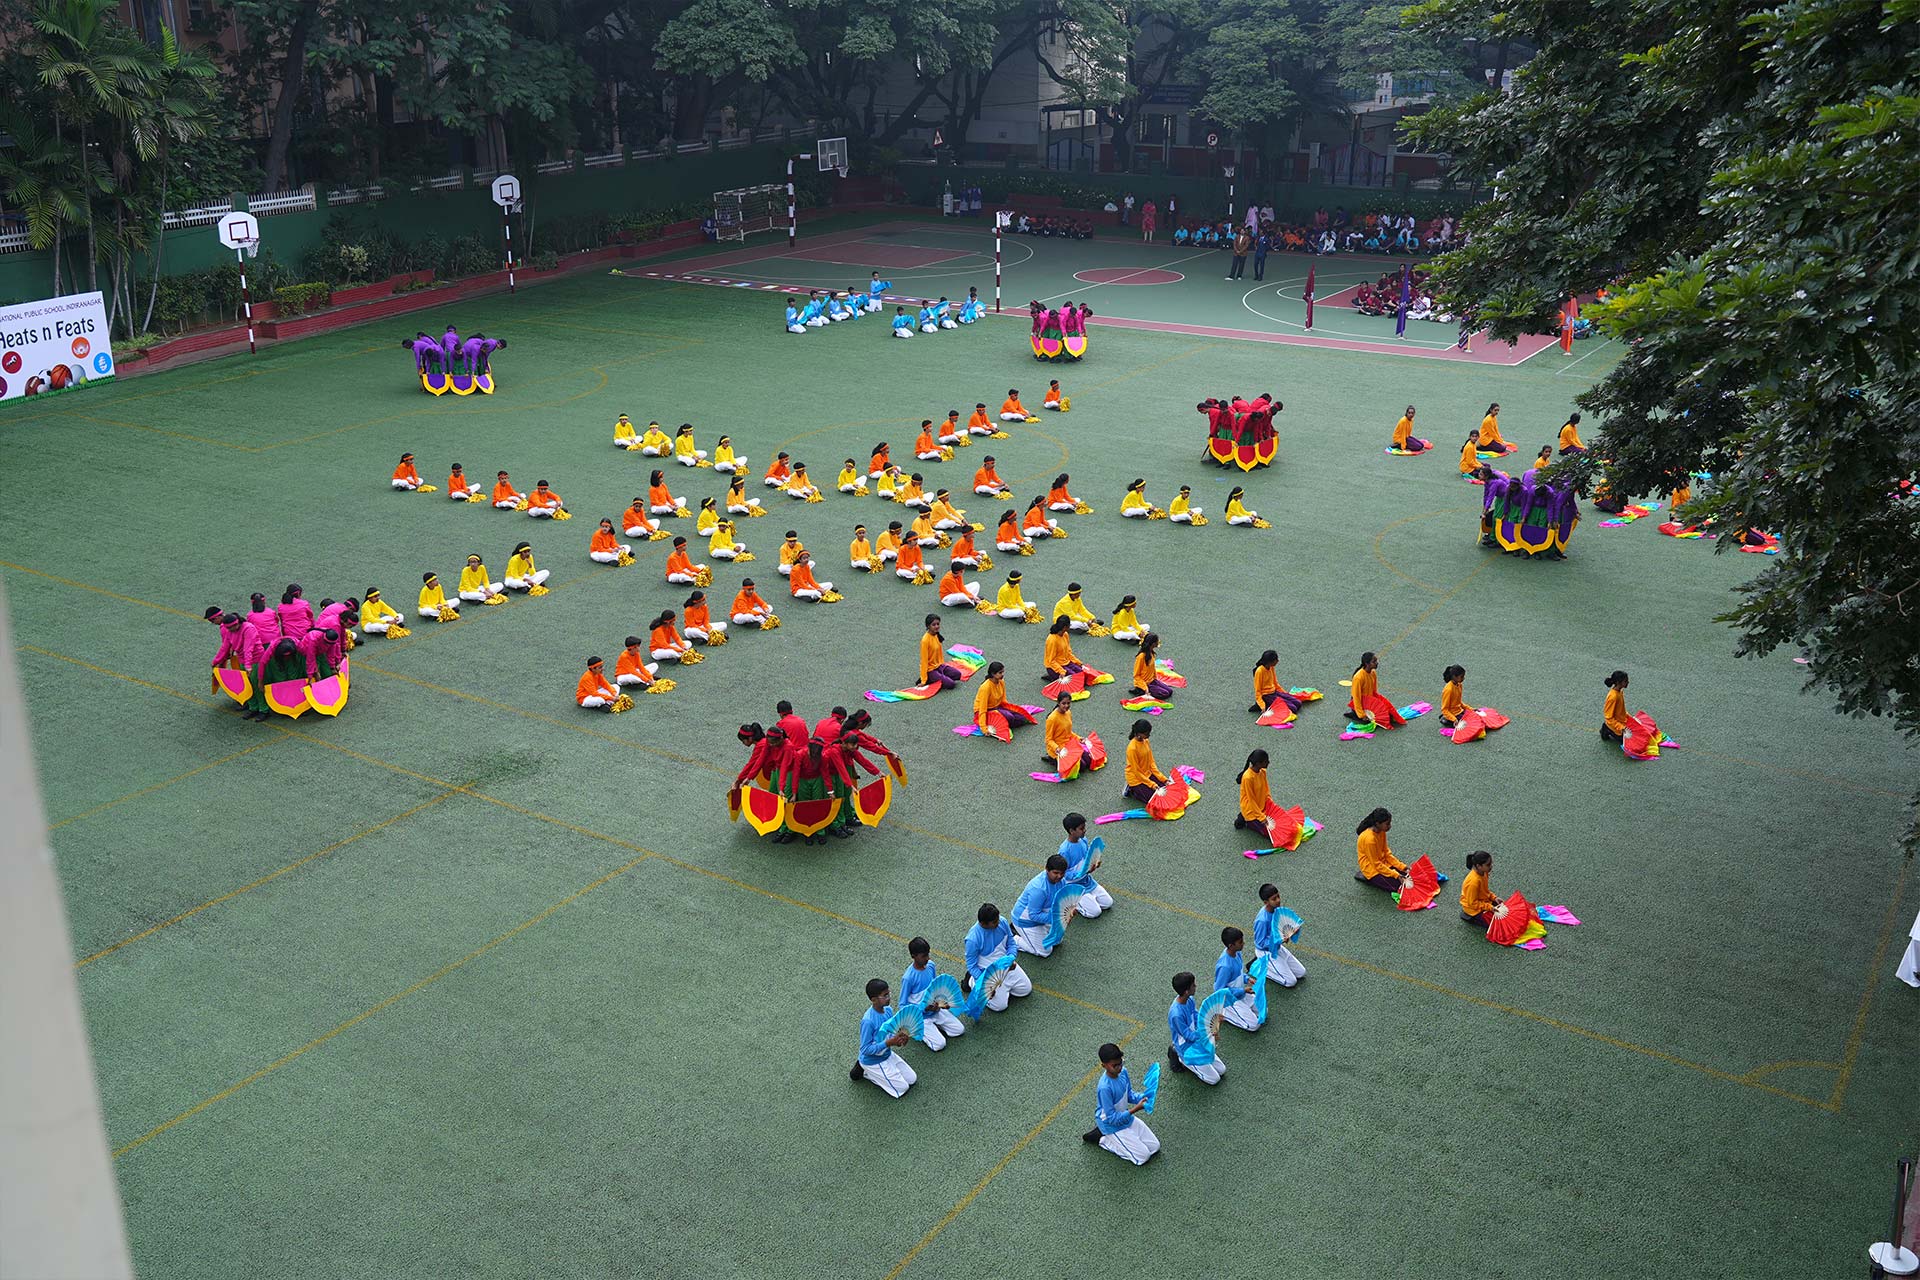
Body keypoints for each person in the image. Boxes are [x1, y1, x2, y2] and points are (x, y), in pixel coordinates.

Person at [1083, 1043, 1161, 1163]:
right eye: (1115, 1065)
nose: (1119, 1067)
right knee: (1142, 1157)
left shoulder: (1123, 1072)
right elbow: (1112, 1118)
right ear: (1104, 1065)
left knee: (1155, 1147)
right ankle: (1102, 1139)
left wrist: (1143, 1097)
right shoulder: (1104, 1088)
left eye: (1121, 1063)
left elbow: (1129, 1095)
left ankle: (1123, 1140)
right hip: (1111, 1125)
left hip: (1124, 1117)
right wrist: (1135, 1109)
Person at [963, 903, 1033, 1013]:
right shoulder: (973, 939)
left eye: (998, 919)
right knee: (1000, 1006)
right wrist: (984, 985)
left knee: (1025, 989)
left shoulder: (1002, 922)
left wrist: (1011, 958)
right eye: (995, 922)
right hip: (987, 972)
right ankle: (972, 982)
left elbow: (1011, 943)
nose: (998, 922)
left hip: (1005, 965)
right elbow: (971, 966)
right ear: (983, 923)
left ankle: (1004, 990)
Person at [852, 978, 917, 1098]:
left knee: (912, 1079)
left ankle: (879, 1074)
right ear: (874, 1000)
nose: (889, 998)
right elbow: (865, 1049)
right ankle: (866, 1071)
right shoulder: (868, 1021)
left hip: (886, 1054)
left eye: (889, 993)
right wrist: (888, 1043)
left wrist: (901, 1038)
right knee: (903, 1088)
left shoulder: (888, 1010)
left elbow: (891, 1031)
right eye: (885, 995)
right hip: (873, 1061)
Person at [900, 938, 966, 1052]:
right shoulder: (908, 978)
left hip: (935, 1010)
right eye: (924, 956)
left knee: (959, 1030)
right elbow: (902, 1006)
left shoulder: (930, 966)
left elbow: (935, 987)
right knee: (939, 1045)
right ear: (913, 956)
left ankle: (935, 1027)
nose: (927, 958)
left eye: (928, 954)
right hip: (920, 1017)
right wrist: (924, 1008)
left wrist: (941, 1003)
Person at [1166, 972, 1224, 1084]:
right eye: (1193, 985)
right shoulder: (1176, 1014)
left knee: (1222, 1070)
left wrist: (1210, 1023)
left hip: (1197, 1041)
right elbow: (1188, 1035)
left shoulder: (1190, 1000)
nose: (1195, 986)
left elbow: (1197, 1017)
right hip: (1187, 1048)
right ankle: (1180, 1057)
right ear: (1186, 991)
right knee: (1214, 1079)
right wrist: (1207, 1032)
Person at [1011, 854, 1072, 956]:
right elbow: (1033, 915)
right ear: (1047, 869)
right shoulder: (1039, 889)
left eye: (1062, 873)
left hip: (1042, 915)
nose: (1059, 876)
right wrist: (1058, 918)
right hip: (1026, 921)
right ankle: (1012, 939)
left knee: (1057, 940)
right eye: (1056, 873)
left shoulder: (1061, 881)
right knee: (1045, 951)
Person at [1253, 883, 1306, 987]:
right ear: (1266, 902)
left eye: (1278, 896)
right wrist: (1280, 940)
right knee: (1291, 982)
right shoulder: (1262, 920)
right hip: (1265, 952)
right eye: (1274, 899)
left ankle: (1273, 966)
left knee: (1301, 972)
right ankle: (1259, 967)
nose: (1278, 900)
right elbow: (1260, 943)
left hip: (1277, 948)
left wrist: (1293, 931)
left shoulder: (1277, 910)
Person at [1214, 927, 1262, 1031]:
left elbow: (1238, 973)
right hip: (1230, 1001)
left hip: (1241, 994)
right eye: (1240, 942)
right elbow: (1219, 990)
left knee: (1263, 1011)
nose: (1243, 943)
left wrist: (1247, 979)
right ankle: (1223, 1013)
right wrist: (1243, 990)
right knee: (1254, 1025)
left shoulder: (1237, 953)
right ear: (1231, 946)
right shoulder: (1225, 966)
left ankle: (1242, 1010)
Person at [1354, 807, 1407, 890]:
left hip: (1382, 863)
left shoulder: (1381, 831)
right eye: (1387, 824)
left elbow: (1386, 852)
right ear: (1378, 824)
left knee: (1408, 876)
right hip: (1372, 870)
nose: (1390, 826)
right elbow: (1376, 864)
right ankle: (1368, 878)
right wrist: (1396, 875)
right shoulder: (1369, 840)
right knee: (1402, 886)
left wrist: (1403, 867)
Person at [1348, 651, 1405, 728]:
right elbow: (1356, 697)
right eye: (1374, 661)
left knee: (1390, 714)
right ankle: (1355, 714)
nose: (1377, 663)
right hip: (1360, 704)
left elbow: (1374, 691)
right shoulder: (1358, 677)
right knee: (1376, 719)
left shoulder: (1373, 673)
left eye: (1376, 661)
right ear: (1367, 664)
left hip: (1369, 702)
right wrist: (1361, 714)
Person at [1123, 719, 1169, 803]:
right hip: (1136, 778)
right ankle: (1131, 789)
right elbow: (1136, 771)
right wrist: (1152, 785)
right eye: (1146, 733)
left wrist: (1163, 779)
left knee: (1166, 791)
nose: (1149, 735)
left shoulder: (1146, 741)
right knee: (1154, 800)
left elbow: (1151, 762)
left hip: (1146, 774)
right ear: (1139, 733)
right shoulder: (1132, 749)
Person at [919, 614, 964, 688]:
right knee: (951, 684)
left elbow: (939, 654)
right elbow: (924, 661)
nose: (937, 626)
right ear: (928, 626)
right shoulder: (925, 640)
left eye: (938, 624)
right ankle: (930, 678)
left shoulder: (936, 635)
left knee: (958, 674)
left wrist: (943, 666)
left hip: (939, 666)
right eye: (934, 625)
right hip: (930, 670)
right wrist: (923, 681)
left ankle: (939, 676)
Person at [1460, 850, 1497, 928]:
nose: (1491, 866)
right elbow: (1472, 903)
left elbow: (1484, 891)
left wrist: (1494, 898)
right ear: (1479, 866)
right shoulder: (1473, 882)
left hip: (1482, 902)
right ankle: (1472, 918)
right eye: (1488, 864)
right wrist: (1489, 907)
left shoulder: (1484, 872)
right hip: (1473, 909)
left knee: (1504, 910)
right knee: (1496, 923)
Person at [1601, 670, 1630, 743]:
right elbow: (1609, 718)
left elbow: (1620, 710)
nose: (1628, 682)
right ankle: (1607, 728)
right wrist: (1622, 728)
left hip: (1621, 723)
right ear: (1618, 682)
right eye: (1625, 681)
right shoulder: (1613, 697)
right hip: (1616, 726)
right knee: (1631, 742)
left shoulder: (1620, 692)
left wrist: (1629, 717)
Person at [1439, 664, 1469, 728]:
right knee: (1468, 723)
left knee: (1475, 716)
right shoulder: (1448, 689)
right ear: (1454, 677)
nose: (1463, 678)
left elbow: (1459, 702)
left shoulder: (1459, 685)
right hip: (1454, 714)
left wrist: (1471, 709)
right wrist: (1454, 719)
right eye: (1462, 676)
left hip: (1459, 711)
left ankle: (1447, 718)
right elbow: (1444, 710)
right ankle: (1447, 718)